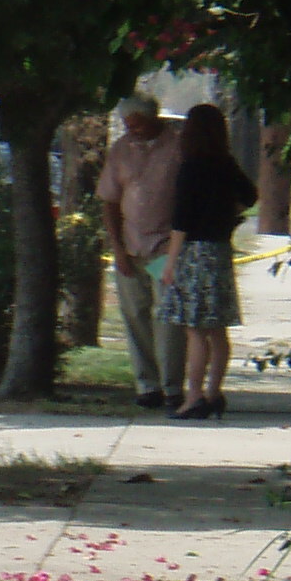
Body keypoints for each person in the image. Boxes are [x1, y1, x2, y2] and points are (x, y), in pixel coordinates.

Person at [162, 103, 259, 420]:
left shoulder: (190, 168)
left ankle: (193, 397)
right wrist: (229, 210)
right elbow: (251, 195)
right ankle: (214, 392)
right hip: (219, 250)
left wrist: (169, 264)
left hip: (193, 253)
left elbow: (181, 220)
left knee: (194, 330)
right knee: (217, 330)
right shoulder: (225, 164)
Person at [95, 96, 181, 408]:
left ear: (154, 118)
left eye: (140, 124)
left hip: (165, 249)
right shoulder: (121, 150)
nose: (135, 131)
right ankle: (148, 385)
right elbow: (109, 201)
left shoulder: (177, 146)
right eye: (129, 126)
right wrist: (117, 248)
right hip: (130, 247)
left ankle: (173, 386)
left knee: (168, 316)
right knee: (135, 315)